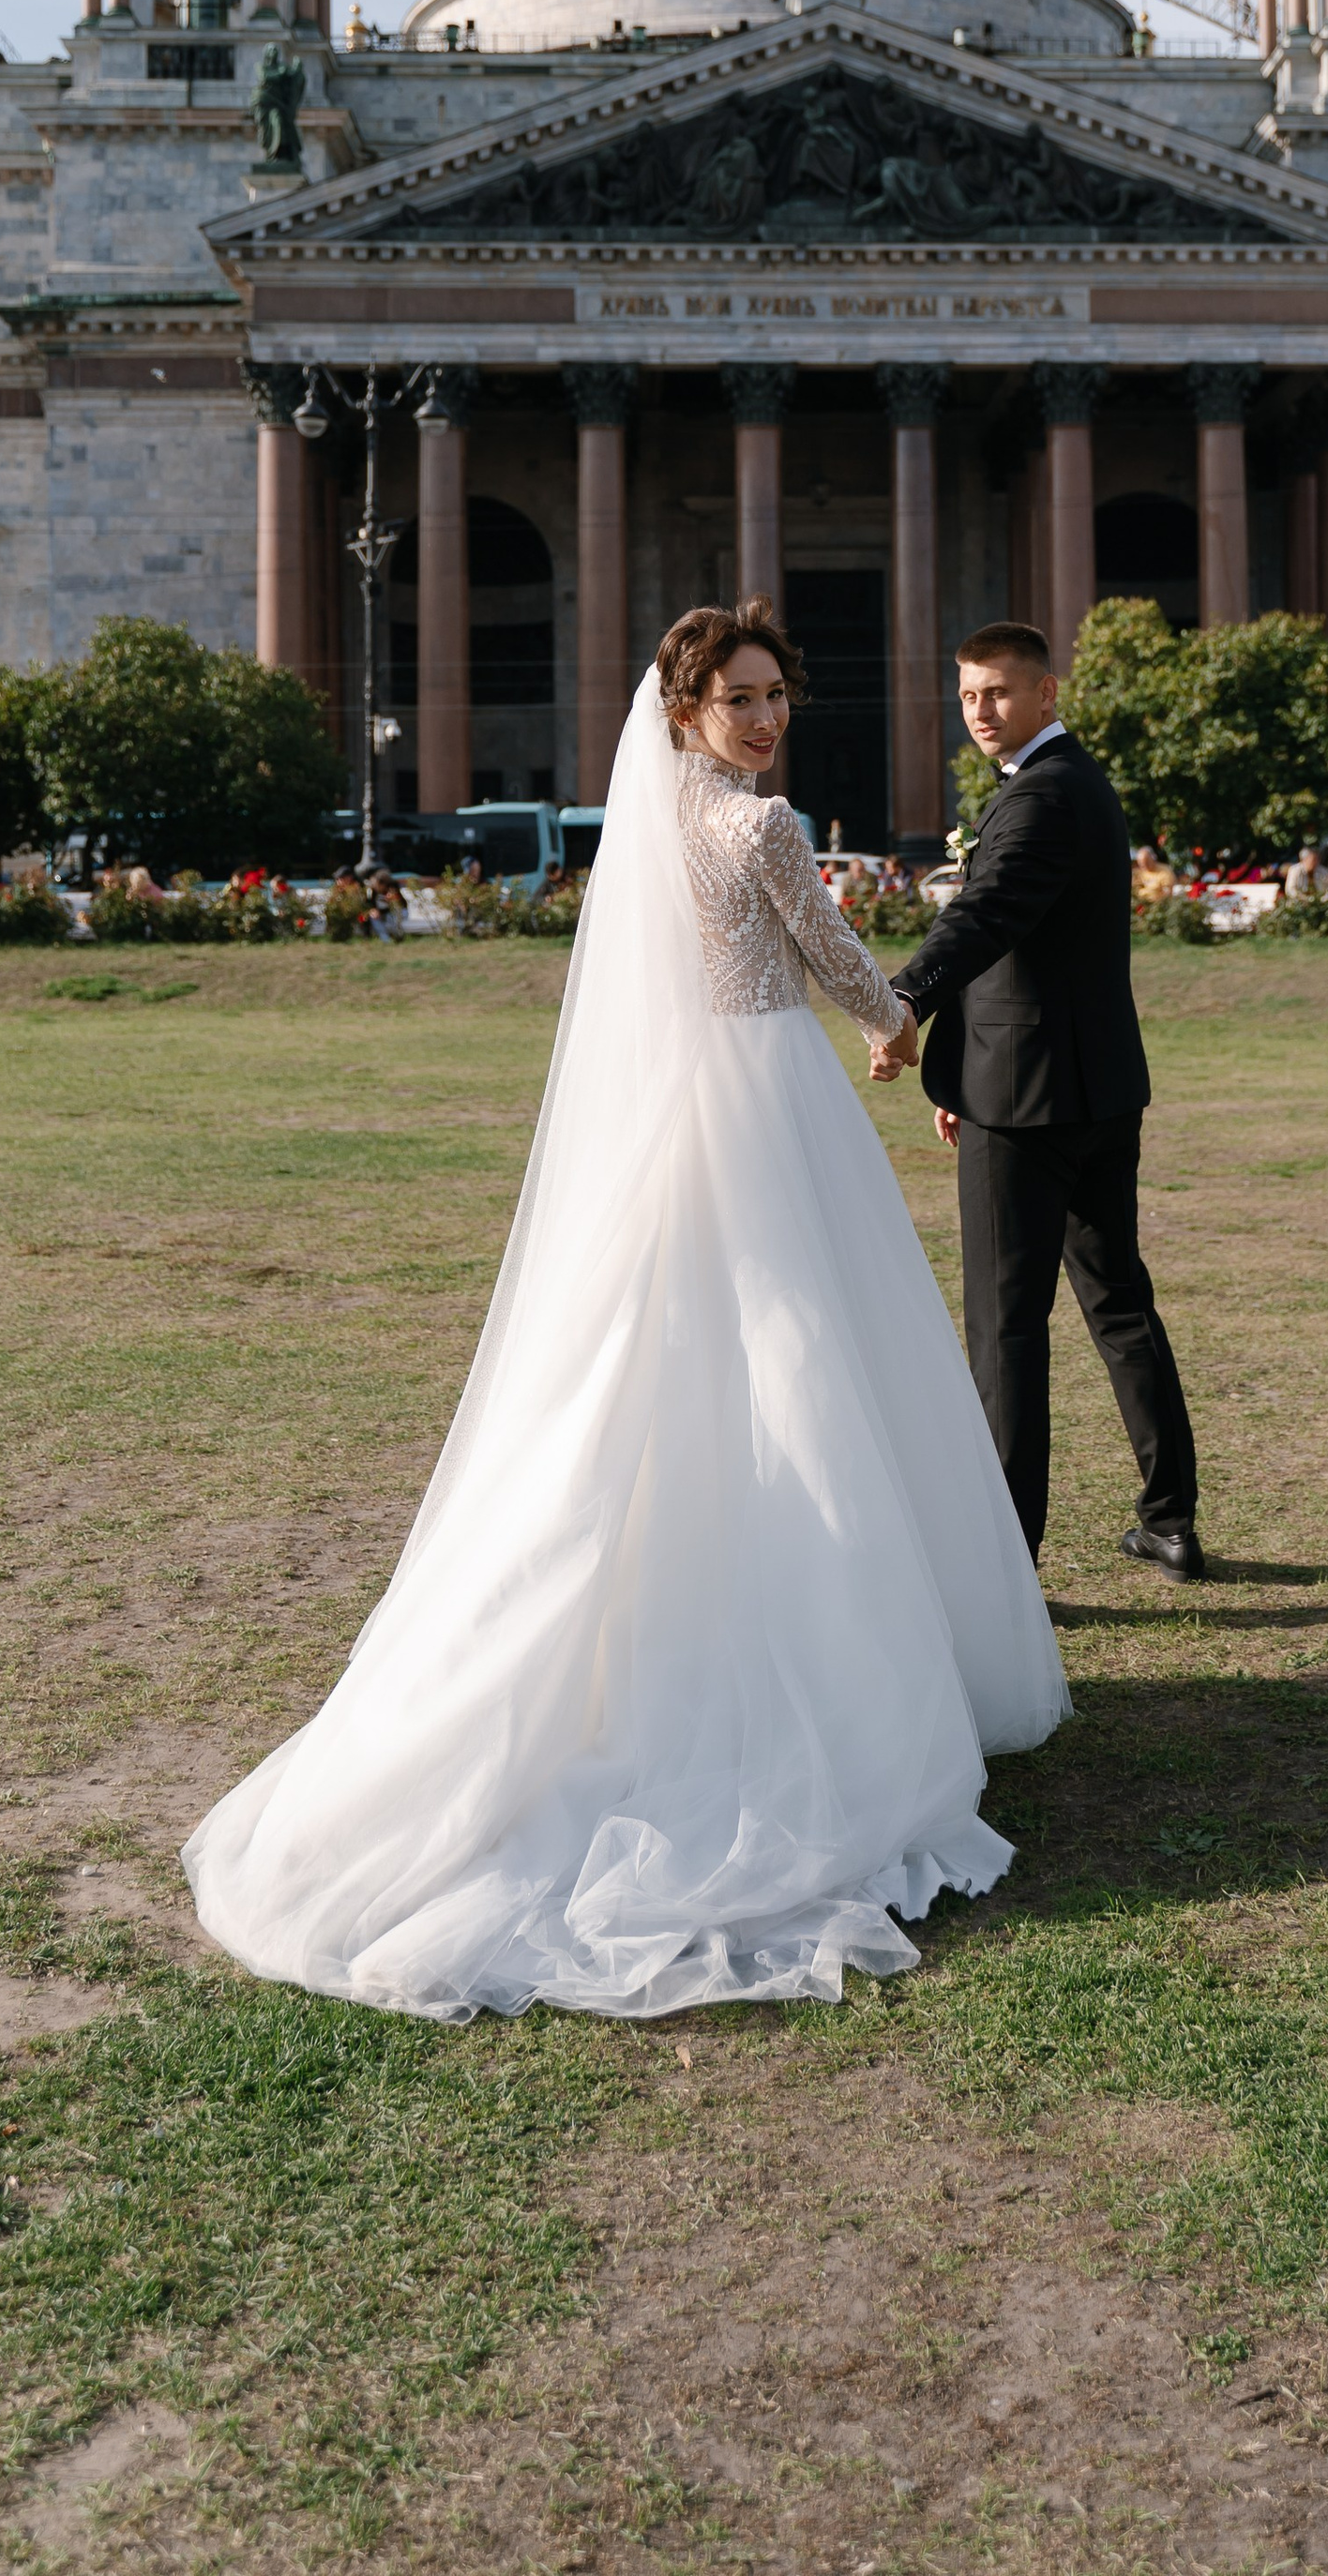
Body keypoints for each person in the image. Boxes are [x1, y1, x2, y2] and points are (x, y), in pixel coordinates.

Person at [184, 596, 1066, 2021]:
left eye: (781, 696)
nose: (768, 721)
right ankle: (830, 1668)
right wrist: (894, 1027)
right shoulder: (762, 830)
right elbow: (831, 954)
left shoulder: (654, 835)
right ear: (685, 717)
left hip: (686, 1112)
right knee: (801, 1366)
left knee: (689, 1367)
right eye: (742, 702)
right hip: (770, 1103)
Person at [867, 621, 1201, 1582]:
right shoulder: (1070, 784)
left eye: (999, 693)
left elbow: (986, 914)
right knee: (1118, 1305)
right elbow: (1021, 943)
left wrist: (906, 999)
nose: (979, 711)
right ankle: (1168, 1522)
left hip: (1025, 1108)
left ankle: (1007, 1562)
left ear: (1047, 693)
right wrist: (957, 1069)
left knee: (1006, 1329)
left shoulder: (1045, 795)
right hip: (1092, 1090)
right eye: (967, 694)